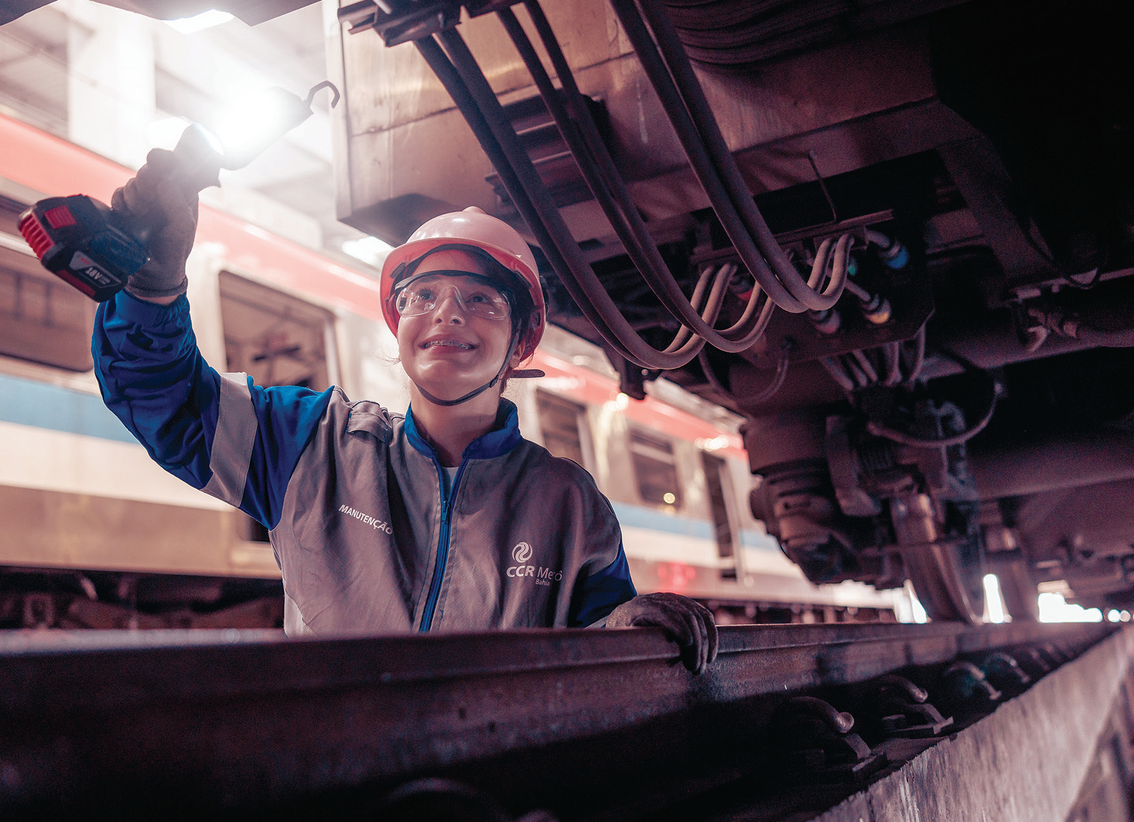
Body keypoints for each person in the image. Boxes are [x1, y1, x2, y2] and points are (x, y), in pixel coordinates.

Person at [92, 148, 718, 673]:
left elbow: (598, 664)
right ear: (399, 328)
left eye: (480, 299)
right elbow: (166, 397)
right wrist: (152, 287)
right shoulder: (312, 445)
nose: (447, 313)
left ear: (521, 341)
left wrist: (630, 630)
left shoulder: (570, 505)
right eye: (423, 296)